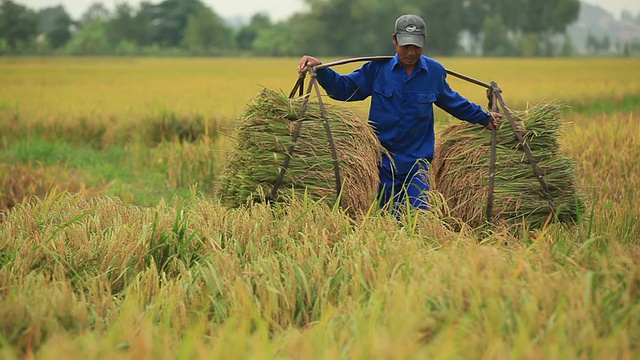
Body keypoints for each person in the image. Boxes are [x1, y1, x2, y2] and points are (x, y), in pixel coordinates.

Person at [297, 14, 501, 213]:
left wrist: (485, 118)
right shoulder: (377, 69)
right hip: (382, 162)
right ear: (395, 40)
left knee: (419, 215)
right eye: (406, 46)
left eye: (416, 46)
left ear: (423, 43)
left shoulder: (434, 72)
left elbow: (455, 103)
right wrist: (321, 70)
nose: (411, 52)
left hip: (417, 163)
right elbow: (344, 89)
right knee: (386, 217)